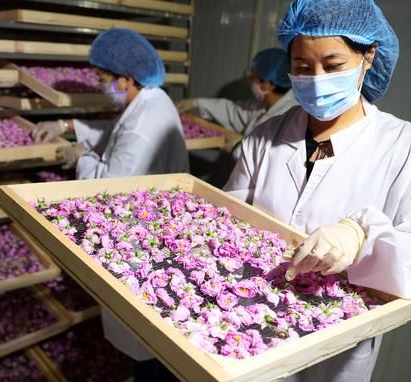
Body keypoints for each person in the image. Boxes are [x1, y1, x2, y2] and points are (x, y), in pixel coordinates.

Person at [224, 1, 405, 381]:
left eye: (334, 65)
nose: (317, 79)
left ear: (368, 57)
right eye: (303, 68)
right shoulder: (265, 137)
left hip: (335, 350)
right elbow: (229, 220)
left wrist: (360, 234)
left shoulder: (401, 146)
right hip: (247, 326)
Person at [32, 28, 188, 381]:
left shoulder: (143, 126)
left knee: (147, 339)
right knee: (151, 332)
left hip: (142, 237)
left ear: (126, 79)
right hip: (153, 226)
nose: (101, 85)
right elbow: (117, 132)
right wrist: (70, 124)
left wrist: (79, 157)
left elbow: (108, 185)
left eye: (103, 79)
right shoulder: (151, 99)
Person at [177, 48, 298, 142]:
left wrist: (236, 147)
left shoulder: (288, 117)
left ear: (269, 84)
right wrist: (197, 102)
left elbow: (261, 155)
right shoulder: (262, 106)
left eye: (253, 75)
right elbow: (233, 111)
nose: (250, 78)